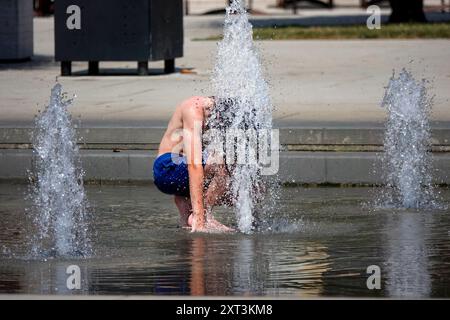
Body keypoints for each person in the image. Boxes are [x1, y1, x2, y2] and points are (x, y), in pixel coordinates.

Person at [153, 96, 233, 232]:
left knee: (249, 185)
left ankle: (185, 209)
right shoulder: (193, 109)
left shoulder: (208, 112)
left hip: (175, 171)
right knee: (220, 163)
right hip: (167, 169)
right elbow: (194, 165)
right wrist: (199, 218)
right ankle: (202, 216)